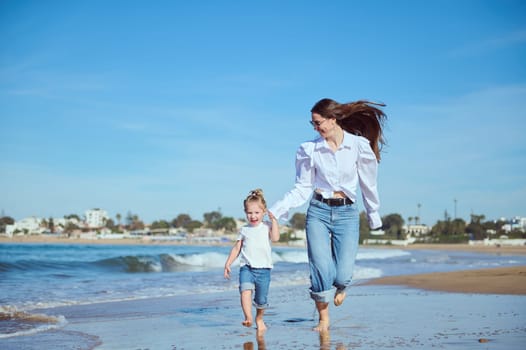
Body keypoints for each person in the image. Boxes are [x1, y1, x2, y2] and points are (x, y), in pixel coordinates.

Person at [269, 98, 387, 332]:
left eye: (318, 123)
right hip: (318, 212)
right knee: (320, 268)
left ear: (333, 119)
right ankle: (324, 318)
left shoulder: (358, 146)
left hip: (347, 213)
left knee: (342, 275)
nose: (315, 128)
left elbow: (368, 184)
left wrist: (374, 215)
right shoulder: (309, 149)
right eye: (312, 124)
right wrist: (277, 209)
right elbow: (302, 187)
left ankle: (341, 287)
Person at [224, 189, 280, 332]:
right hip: (246, 268)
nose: (253, 216)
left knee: (261, 300)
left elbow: (275, 238)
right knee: (245, 290)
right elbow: (237, 248)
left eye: (257, 212)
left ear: (264, 212)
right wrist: (228, 263)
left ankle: (259, 318)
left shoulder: (266, 226)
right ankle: (248, 317)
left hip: (264, 270)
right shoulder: (244, 230)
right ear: (245, 213)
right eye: (250, 213)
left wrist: (274, 220)